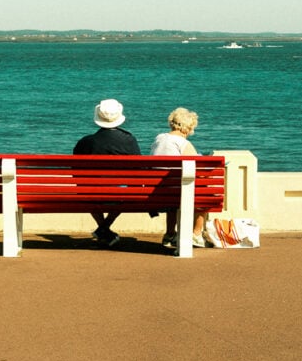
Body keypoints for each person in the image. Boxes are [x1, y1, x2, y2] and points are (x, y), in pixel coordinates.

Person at [73, 98, 141, 248]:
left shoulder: (86, 142)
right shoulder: (129, 140)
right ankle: (104, 229)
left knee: (85, 189)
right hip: (120, 194)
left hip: (92, 192)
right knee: (128, 191)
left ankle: (103, 229)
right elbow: (139, 169)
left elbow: (76, 171)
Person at [150, 107, 212, 251]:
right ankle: (196, 234)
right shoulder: (183, 143)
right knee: (206, 192)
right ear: (188, 128)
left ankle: (170, 234)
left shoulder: (159, 138)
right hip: (177, 192)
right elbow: (200, 170)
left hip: (158, 191)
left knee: (173, 193)